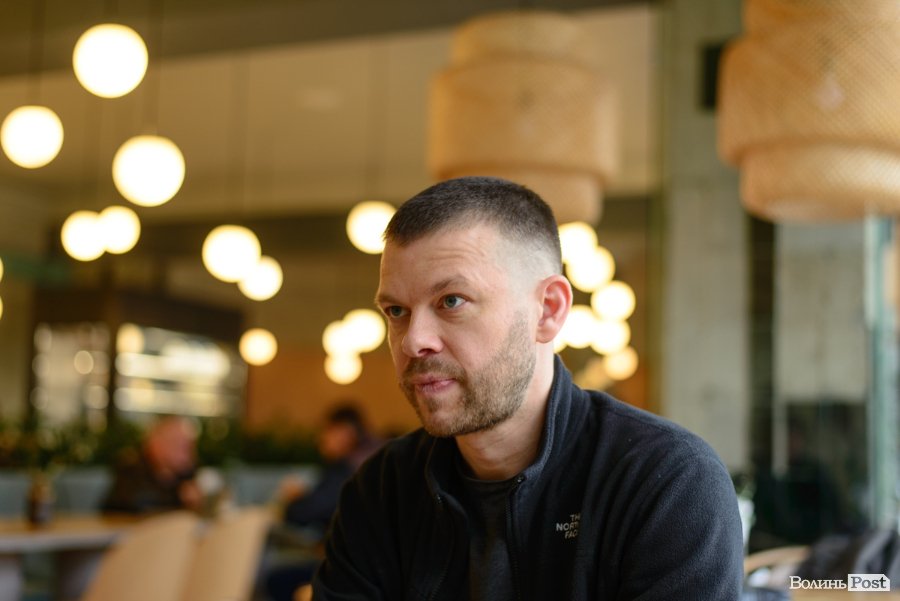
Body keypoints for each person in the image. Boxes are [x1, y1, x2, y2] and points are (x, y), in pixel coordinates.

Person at [312, 176, 744, 600]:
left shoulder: (666, 483)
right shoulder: (380, 492)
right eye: (396, 311)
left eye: (451, 301)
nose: (413, 340)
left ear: (548, 311)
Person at [266, 405, 380, 601]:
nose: (320, 439)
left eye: (327, 431)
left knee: (276, 580)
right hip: (368, 568)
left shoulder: (347, 468)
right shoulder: (372, 461)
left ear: (345, 432)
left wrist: (292, 501)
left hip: (354, 572)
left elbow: (303, 513)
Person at [102, 415, 203, 514]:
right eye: (178, 445)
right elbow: (131, 505)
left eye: (189, 446)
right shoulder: (131, 466)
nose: (187, 454)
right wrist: (178, 495)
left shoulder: (185, 473)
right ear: (156, 443)